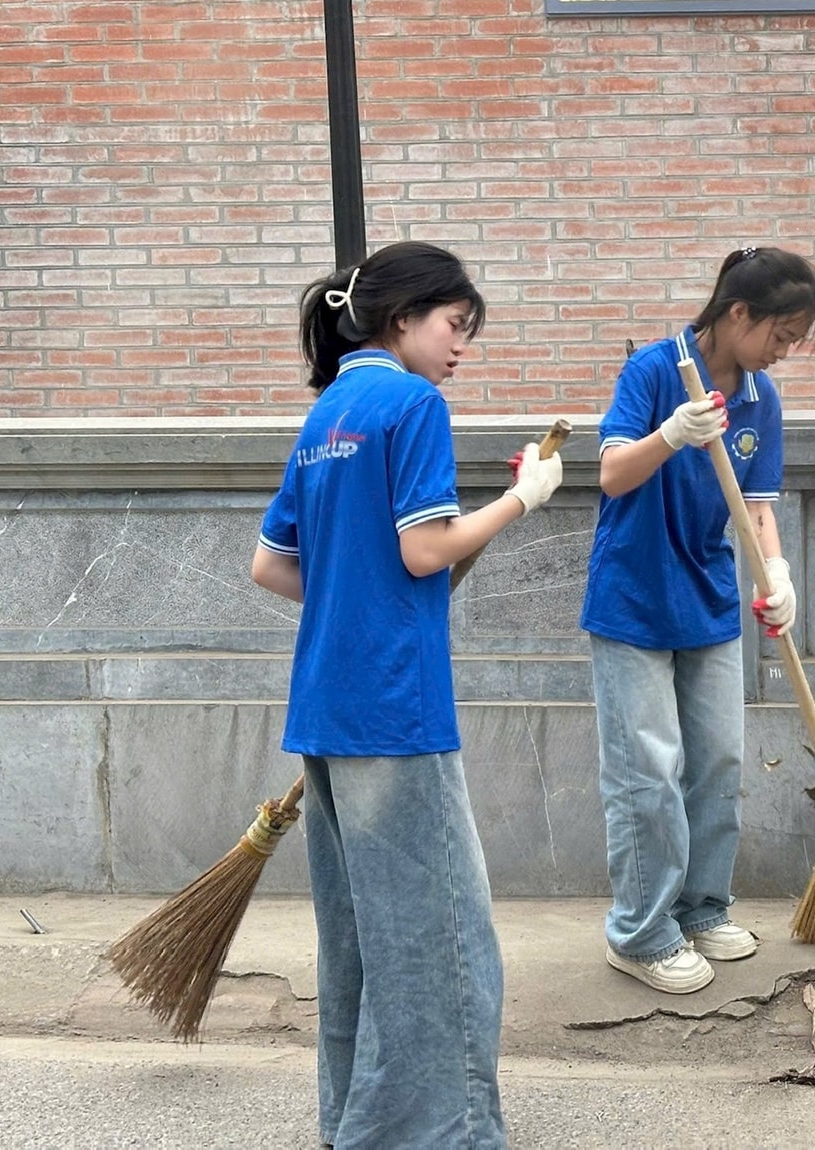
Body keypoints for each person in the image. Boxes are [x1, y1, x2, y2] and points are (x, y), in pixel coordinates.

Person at [250, 240, 563, 1148]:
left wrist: (359, 592)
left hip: (325, 708)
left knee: (359, 949)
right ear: (401, 319)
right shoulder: (414, 403)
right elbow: (426, 550)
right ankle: (439, 1135)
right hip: (395, 707)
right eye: (453, 326)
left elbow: (272, 565)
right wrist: (524, 499)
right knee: (440, 948)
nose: (461, 347)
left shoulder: (329, 412)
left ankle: (358, 1126)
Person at [582, 246, 815, 994]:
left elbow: (758, 507)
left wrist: (777, 574)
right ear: (737, 313)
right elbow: (611, 472)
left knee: (717, 761)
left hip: (710, 599)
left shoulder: (761, 402)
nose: (782, 353)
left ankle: (699, 909)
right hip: (633, 599)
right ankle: (641, 932)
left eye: (794, 342)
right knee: (648, 773)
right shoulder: (658, 372)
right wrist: (672, 433)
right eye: (778, 335)